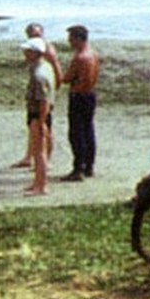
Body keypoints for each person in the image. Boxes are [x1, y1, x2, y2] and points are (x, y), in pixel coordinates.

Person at [11, 23, 58, 168]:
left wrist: (53, 91)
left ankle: (46, 161)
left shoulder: (47, 50)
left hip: (44, 93)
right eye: (31, 35)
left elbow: (56, 70)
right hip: (37, 93)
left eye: (37, 34)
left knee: (44, 128)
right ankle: (29, 157)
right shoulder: (32, 54)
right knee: (33, 128)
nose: (34, 37)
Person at [60, 24, 100, 181]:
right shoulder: (94, 54)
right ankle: (89, 166)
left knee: (76, 134)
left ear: (78, 39)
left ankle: (78, 169)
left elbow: (67, 78)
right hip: (90, 94)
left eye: (71, 39)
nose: (69, 42)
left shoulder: (80, 58)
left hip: (79, 95)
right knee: (88, 130)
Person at [21, 37, 55, 196]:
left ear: (35, 53)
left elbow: (44, 101)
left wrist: (41, 122)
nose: (24, 53)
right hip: (39, 114)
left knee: (39, 151)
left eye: (27, 51)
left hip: (38, 115)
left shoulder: (39, 75)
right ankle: (37, 182)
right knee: (38, 150)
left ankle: (41, 186)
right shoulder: (45, 67)